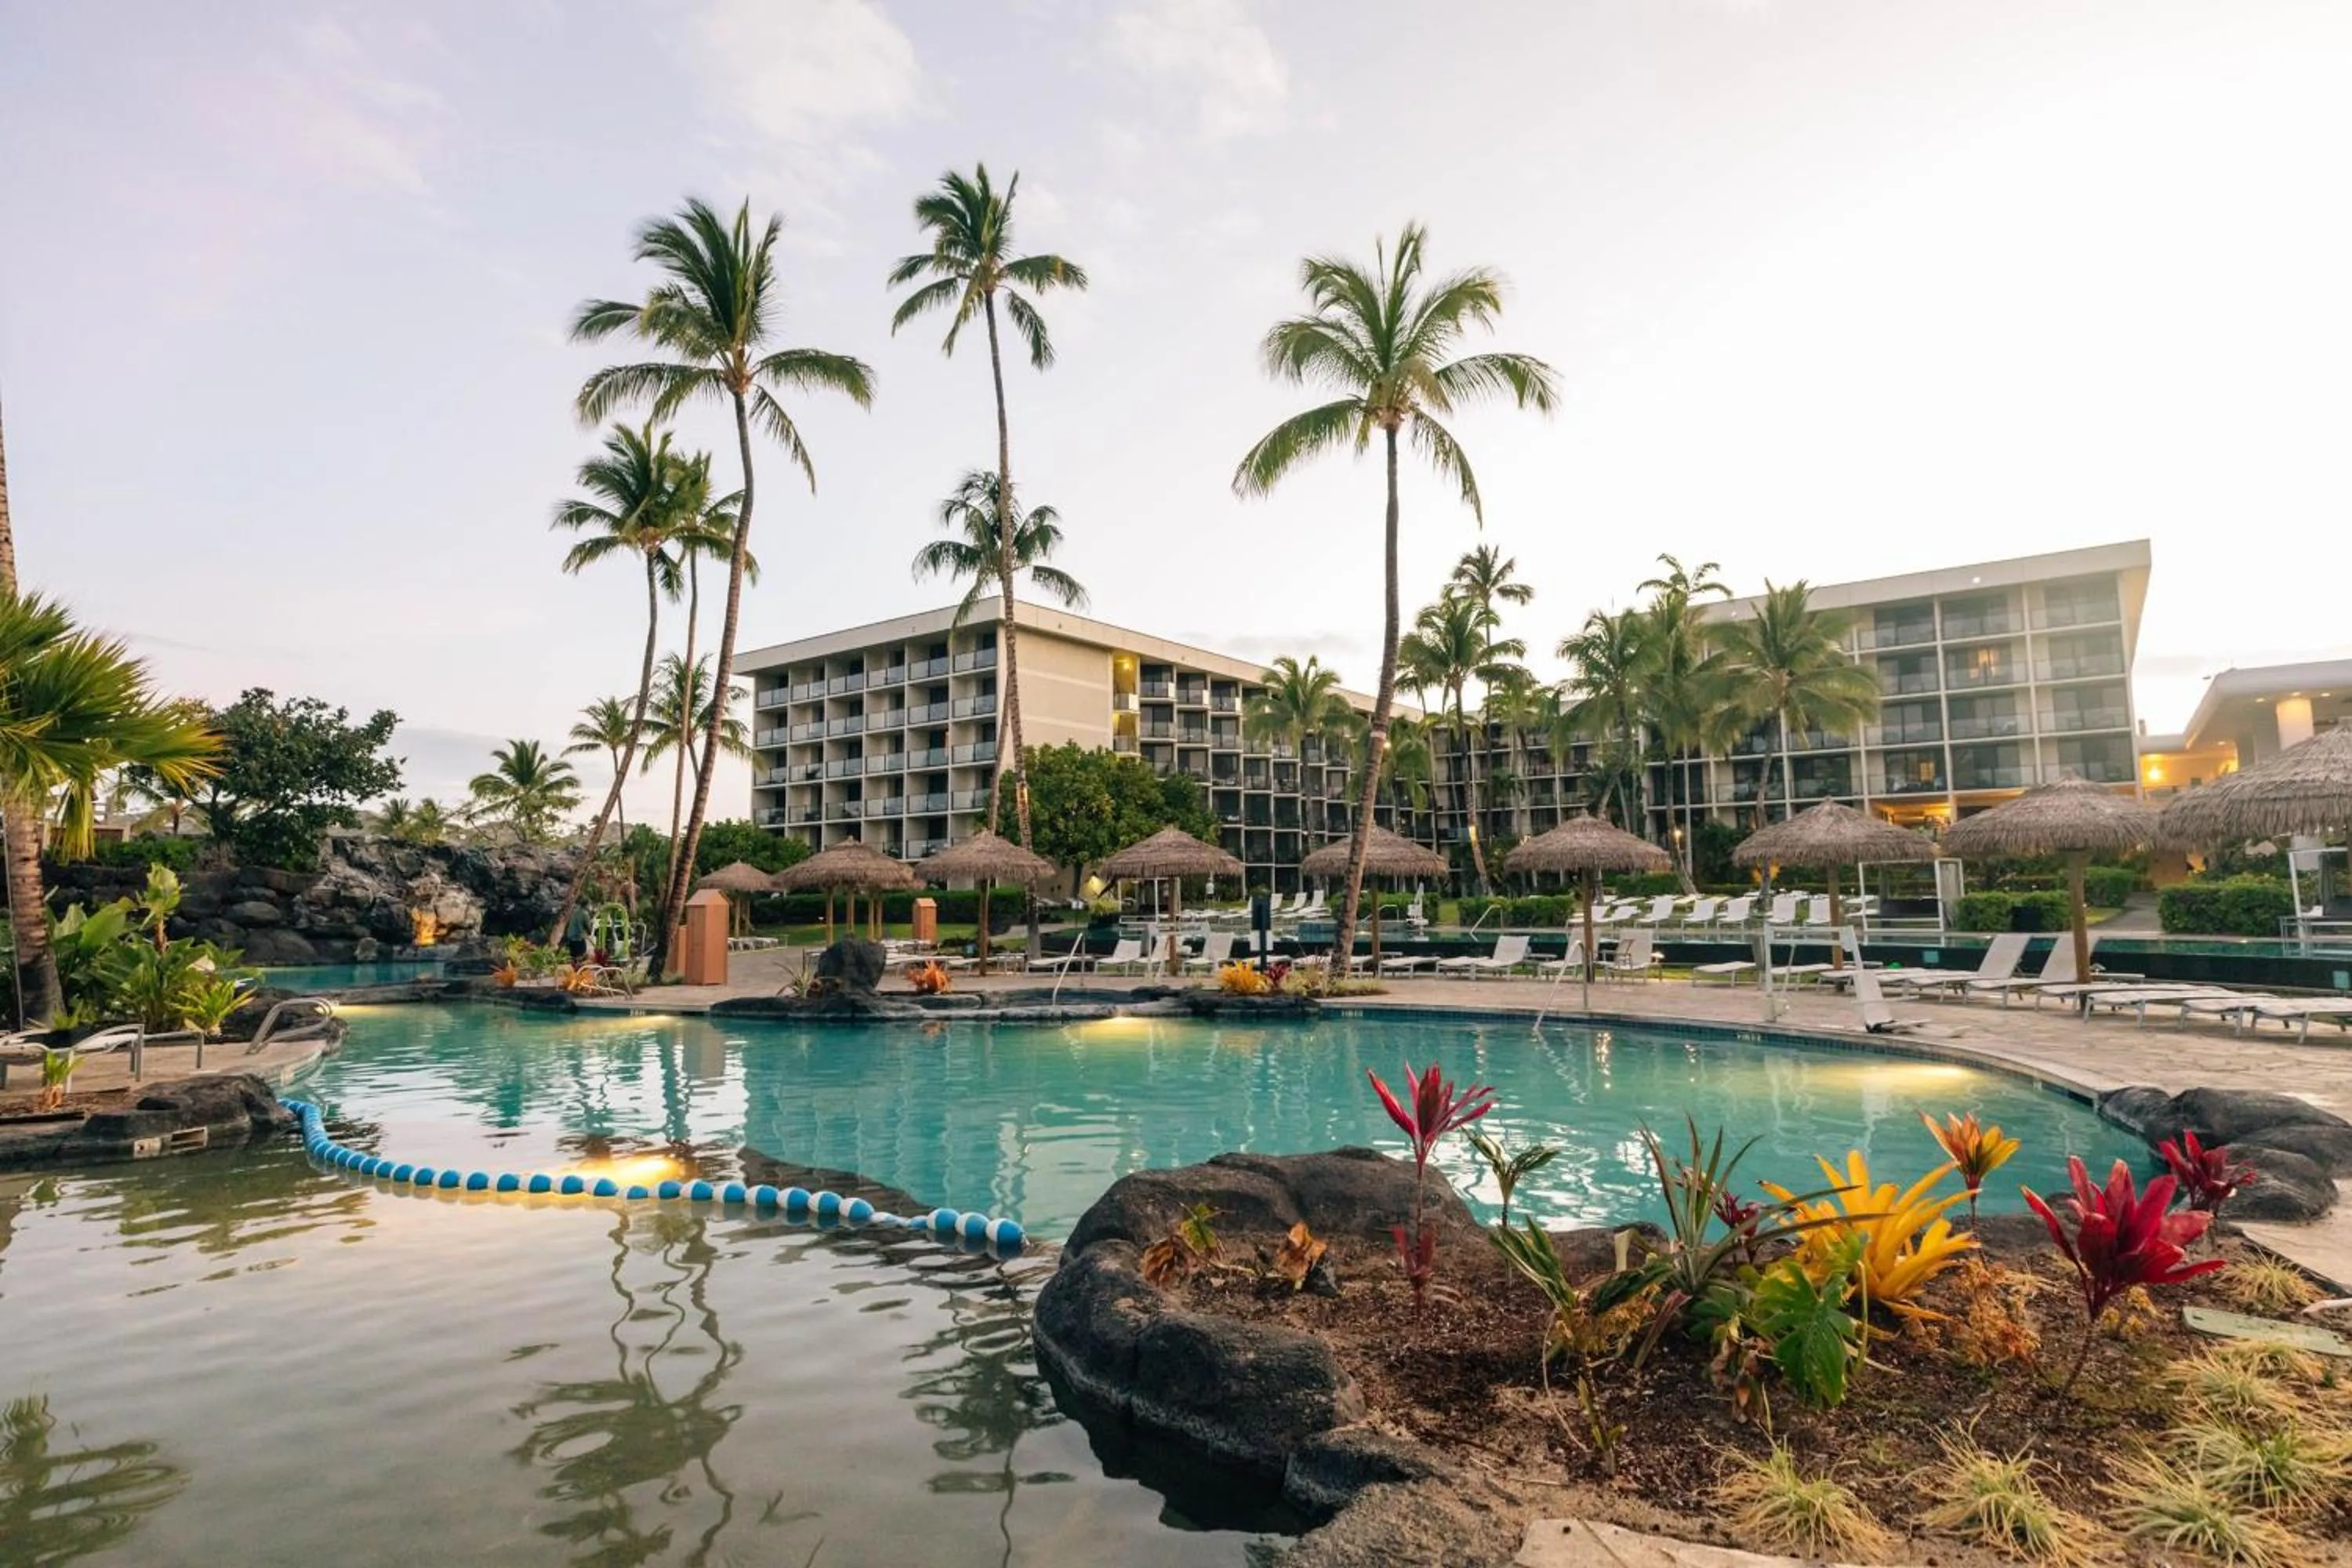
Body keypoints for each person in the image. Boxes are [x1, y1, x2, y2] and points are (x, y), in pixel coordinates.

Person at [563, 900, 593, 964]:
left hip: (571, 937)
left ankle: (574, 967)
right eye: (589, 905)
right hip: (578, 938)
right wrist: (589, 932)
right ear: (587, 905)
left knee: (573, 956)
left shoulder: (574, 912)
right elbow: (588, 926)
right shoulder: (585, 914)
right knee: (581, 955)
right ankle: (579, 968)